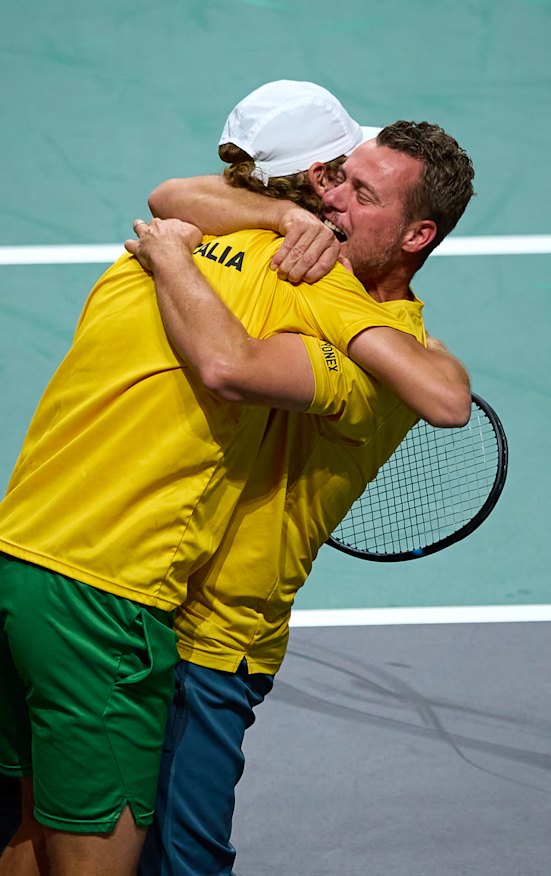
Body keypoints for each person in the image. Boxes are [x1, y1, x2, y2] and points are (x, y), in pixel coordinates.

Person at [0, 80, 472, 875]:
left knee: (148, 856)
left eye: (362, 194)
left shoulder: (349, 332)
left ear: (416, 234)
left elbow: (433, 395)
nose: (338, 202)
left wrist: (175, 253)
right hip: (133, 599)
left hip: (207, 638)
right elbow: (179, 199)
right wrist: (281, 221)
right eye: (338, 181)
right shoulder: (291, 273)